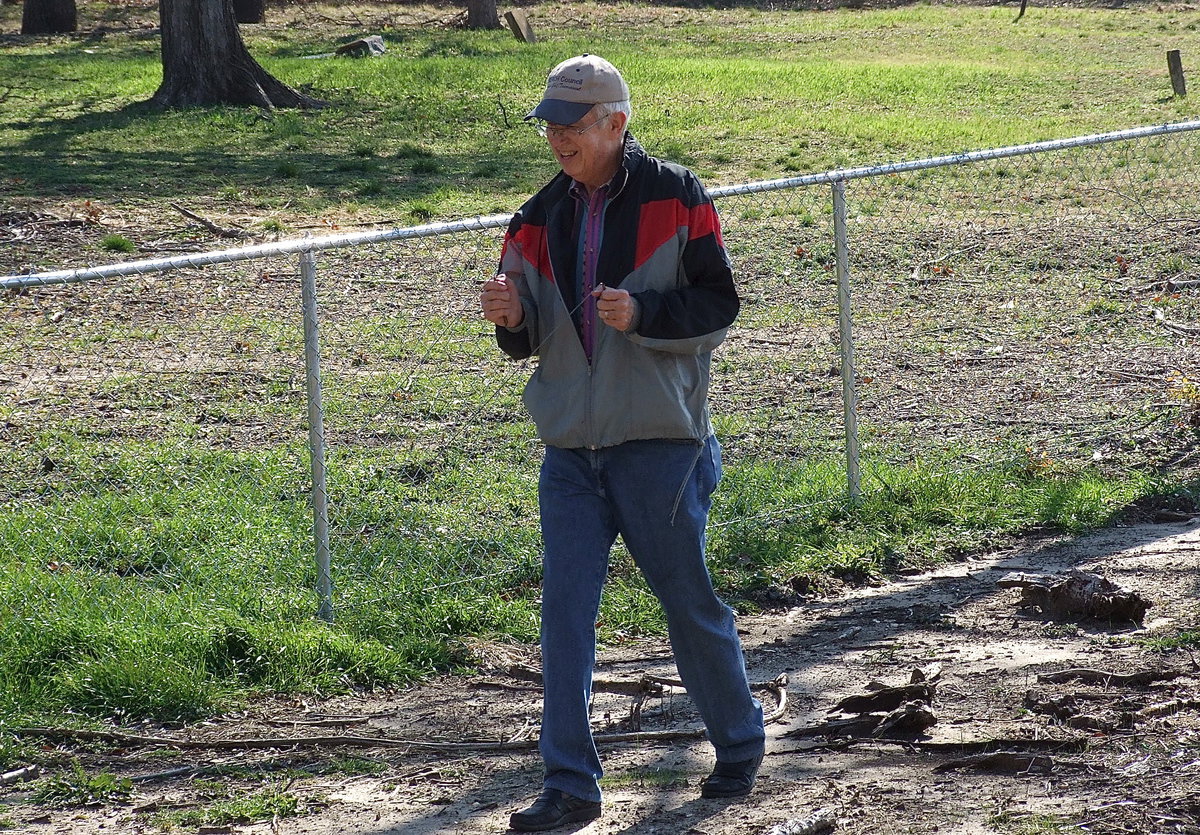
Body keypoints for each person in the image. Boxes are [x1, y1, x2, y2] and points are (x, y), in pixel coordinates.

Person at [480, 54, 766, 833]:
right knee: (564, 616)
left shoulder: (679, 197)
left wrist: (641, 315)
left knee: (687, 602)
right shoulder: (535, 216)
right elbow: (529, 336)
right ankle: (569, 784)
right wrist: (509, 317)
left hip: (661, 447)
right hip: (570, 451)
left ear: (617, 123)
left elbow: (719, 304)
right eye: (550, 124)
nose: (556, 137)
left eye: (571, 124)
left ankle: (739, 740)